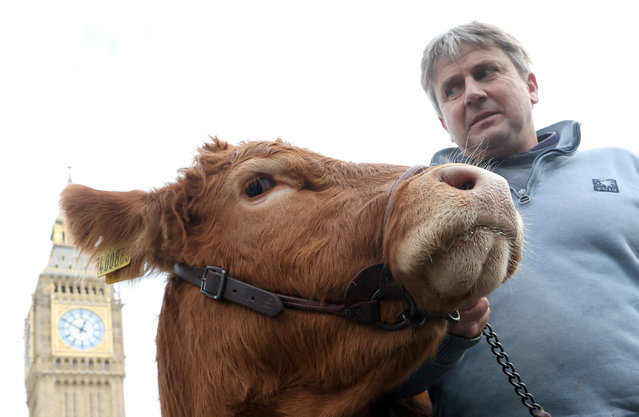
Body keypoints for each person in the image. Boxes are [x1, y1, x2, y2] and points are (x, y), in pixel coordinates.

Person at [390, 21, 639, 416]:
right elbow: (390, 382)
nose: (472, 93)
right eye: (451, 89)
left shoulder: (625, 167)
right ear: (443, 121)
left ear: (531, 86)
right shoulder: (413, 216)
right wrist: (453, 337)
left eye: (486, 72)